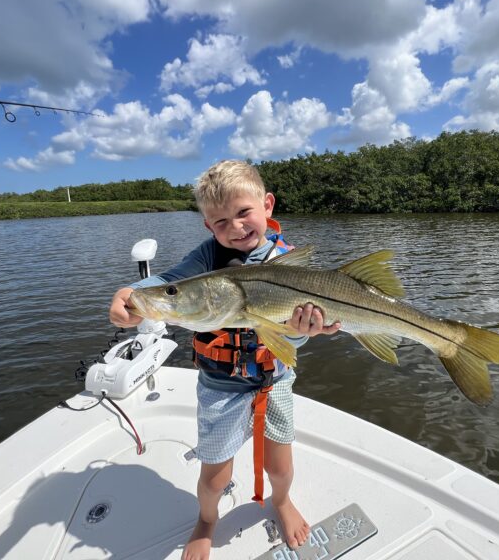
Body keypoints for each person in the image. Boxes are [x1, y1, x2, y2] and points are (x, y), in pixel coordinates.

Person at [109, 160, 341, 560]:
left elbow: (293, 344)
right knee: (214, 478)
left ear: (267, 205)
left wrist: (303, 332)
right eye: (220, 221)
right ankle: (207, 518)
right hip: (220, 387)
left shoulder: (287, 261)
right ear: (208, 227)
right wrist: (131, 293)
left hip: (274, 380)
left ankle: (281, 502)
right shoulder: (206, 260)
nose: (235, 227)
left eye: (244, 212)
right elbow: (168, 283)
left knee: (281, 469)